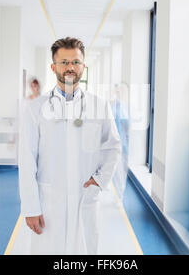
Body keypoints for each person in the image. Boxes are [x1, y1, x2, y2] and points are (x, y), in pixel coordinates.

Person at [18, 37, 122, 254]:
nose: (70, 67)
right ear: (53, 66)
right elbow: (26, 159)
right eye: (64, 62)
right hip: (48, 203)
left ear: (83, 66)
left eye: (75, 62)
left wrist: (99, 180)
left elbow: (112, 147)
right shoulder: (35, 109)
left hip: (85, 198)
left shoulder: (99, 106)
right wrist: (30, 206)